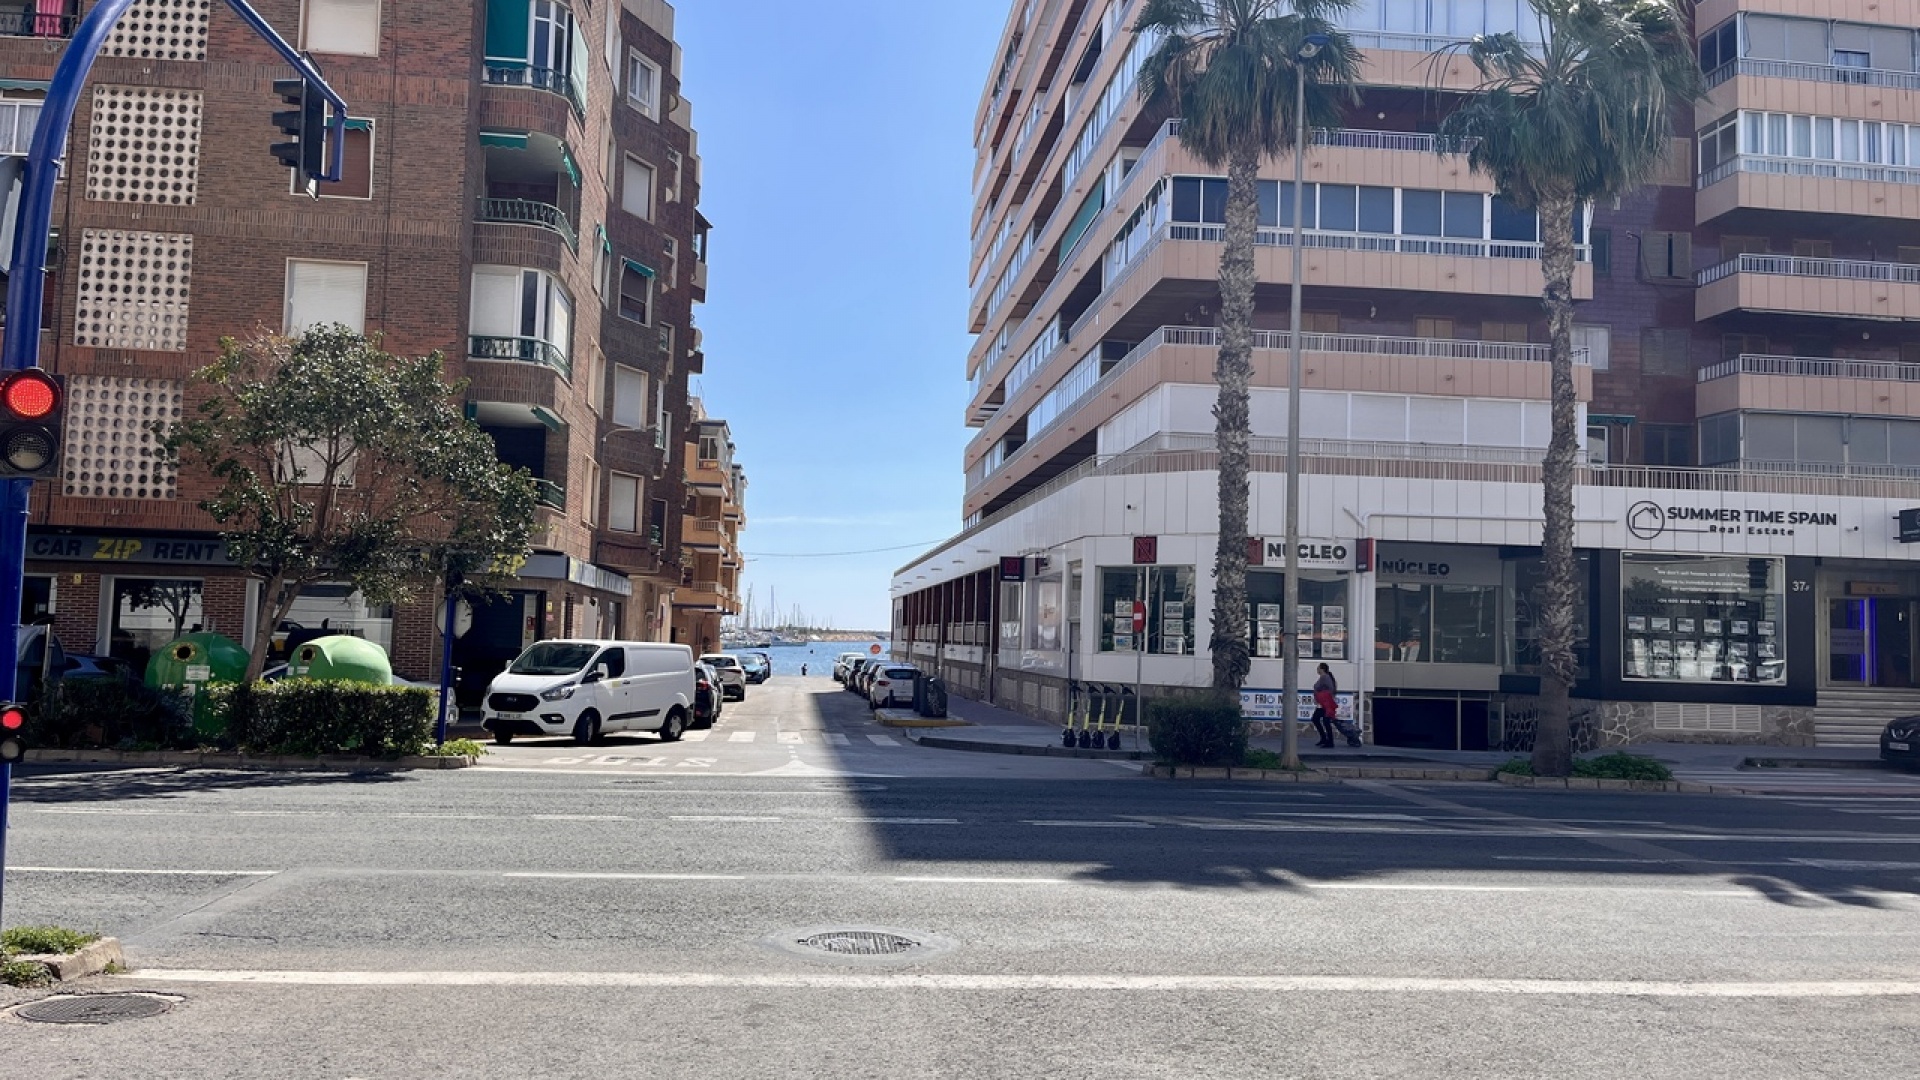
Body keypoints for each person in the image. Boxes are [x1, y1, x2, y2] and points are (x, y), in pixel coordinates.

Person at [1311, 663, 1359, 748]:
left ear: (1322, 669)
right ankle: (1324, 739)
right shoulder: (1324, 678)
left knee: (1324, 721)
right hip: (1323, 703)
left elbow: (1328, 689)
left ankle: (1329, 741)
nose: (1317, 670)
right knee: (1317, 719)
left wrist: (1322, 695)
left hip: (1326, 703)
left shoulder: (1325, 678)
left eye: (1318, 668)